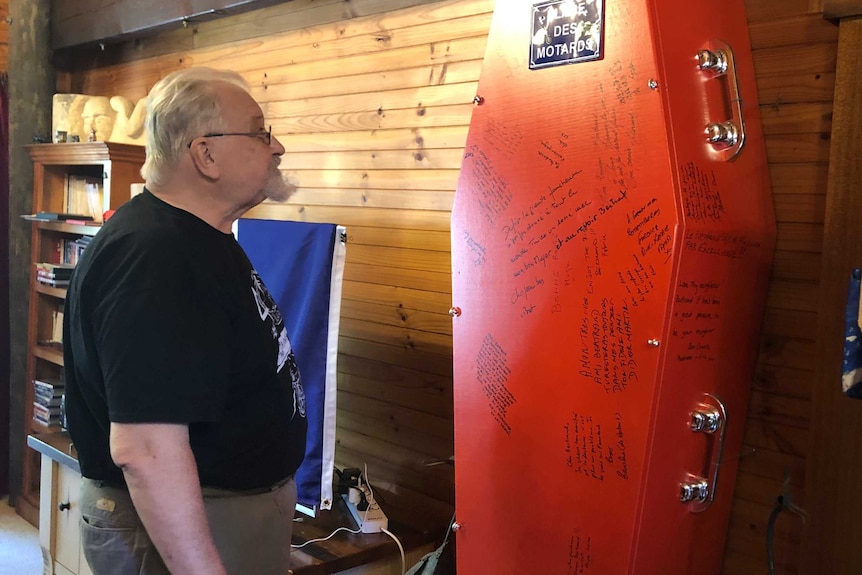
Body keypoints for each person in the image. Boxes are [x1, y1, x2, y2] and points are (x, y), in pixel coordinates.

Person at [63, 67, 307, 575]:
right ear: (206, 155)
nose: (277, 146)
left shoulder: (194, 238)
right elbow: (145, 448)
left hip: (223, 514)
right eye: (260, 132)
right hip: (189, 527)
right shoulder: (157, 256)